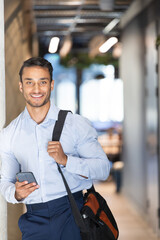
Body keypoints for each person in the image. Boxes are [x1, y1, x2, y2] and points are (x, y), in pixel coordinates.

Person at [0, 57, 110, 240]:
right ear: (21, 86)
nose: (36, 89)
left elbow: (103, 169)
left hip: (72, 215)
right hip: (34, 219)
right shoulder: (10, 134)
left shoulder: (75, 125)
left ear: (51, 85)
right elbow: (5, 180)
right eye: (29, 82)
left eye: (42, 82)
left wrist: (67, 161)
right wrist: (15, 193)